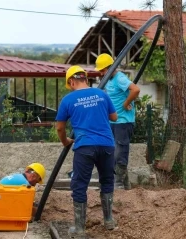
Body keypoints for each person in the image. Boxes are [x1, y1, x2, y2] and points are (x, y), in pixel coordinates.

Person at [56, 65, 118, 237]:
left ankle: (80, 229)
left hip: (84, 147)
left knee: (79, 185)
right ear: (85, 78)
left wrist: (65, 142)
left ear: (71, 81)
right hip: (107, 144)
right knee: (107, 181)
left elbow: (60, 128)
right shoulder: (102, 94)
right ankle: (109, 221)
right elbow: (114, 117)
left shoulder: (68, 100)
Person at [95, 53, 140, 190]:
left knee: (120, 151)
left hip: (124, 121)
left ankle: (119, 182)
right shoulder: (109, 80)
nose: (101, 73)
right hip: (113, 121)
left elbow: (136, 90)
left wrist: (126, 103)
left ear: (110, 67)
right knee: (111, 151)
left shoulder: (119, 78)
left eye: (103, 70)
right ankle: (125, 184)